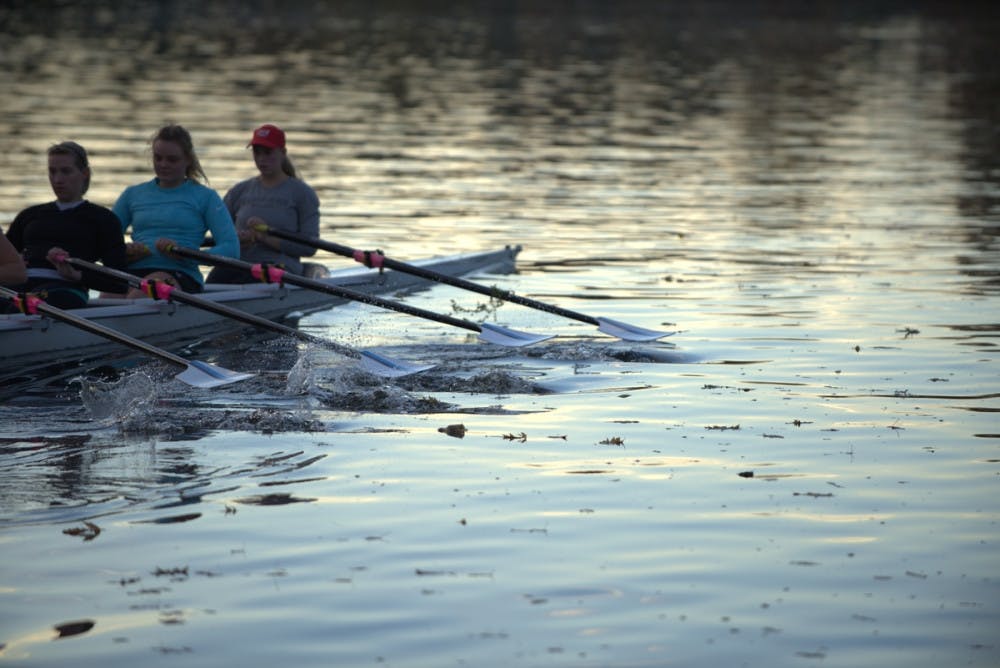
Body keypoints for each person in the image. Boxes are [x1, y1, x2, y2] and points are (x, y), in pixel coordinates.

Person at [112, 124, 240, 295]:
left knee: (143, 291)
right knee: (107, 293)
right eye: (158, 158)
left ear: (187, 159)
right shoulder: (132, 194)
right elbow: (102, 243)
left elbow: (231, 249)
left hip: (180, 275)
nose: (163, 164)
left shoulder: (205, 197)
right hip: (132, 272)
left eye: (172, 159)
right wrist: (124, 253)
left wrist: (187, 255)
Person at [4, 141, 127, 308]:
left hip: (65, 289)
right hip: (19, 287)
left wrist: (78, 276)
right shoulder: (29, 215)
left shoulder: (104, 219)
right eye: (52, 171)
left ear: (85, 173)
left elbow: (120, 282)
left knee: (42, 303)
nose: (57, 179)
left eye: (66, 171)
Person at [205, 123, 321, 284]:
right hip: (239, 264)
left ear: (283, 153)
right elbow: (220, 235)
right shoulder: (239, 191)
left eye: (268, 153)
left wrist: (265, 238)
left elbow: (309, 247)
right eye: (257, 153)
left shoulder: (302, 194)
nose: (261, 159)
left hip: (280, 267)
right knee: (211, 281)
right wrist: (236, 239)